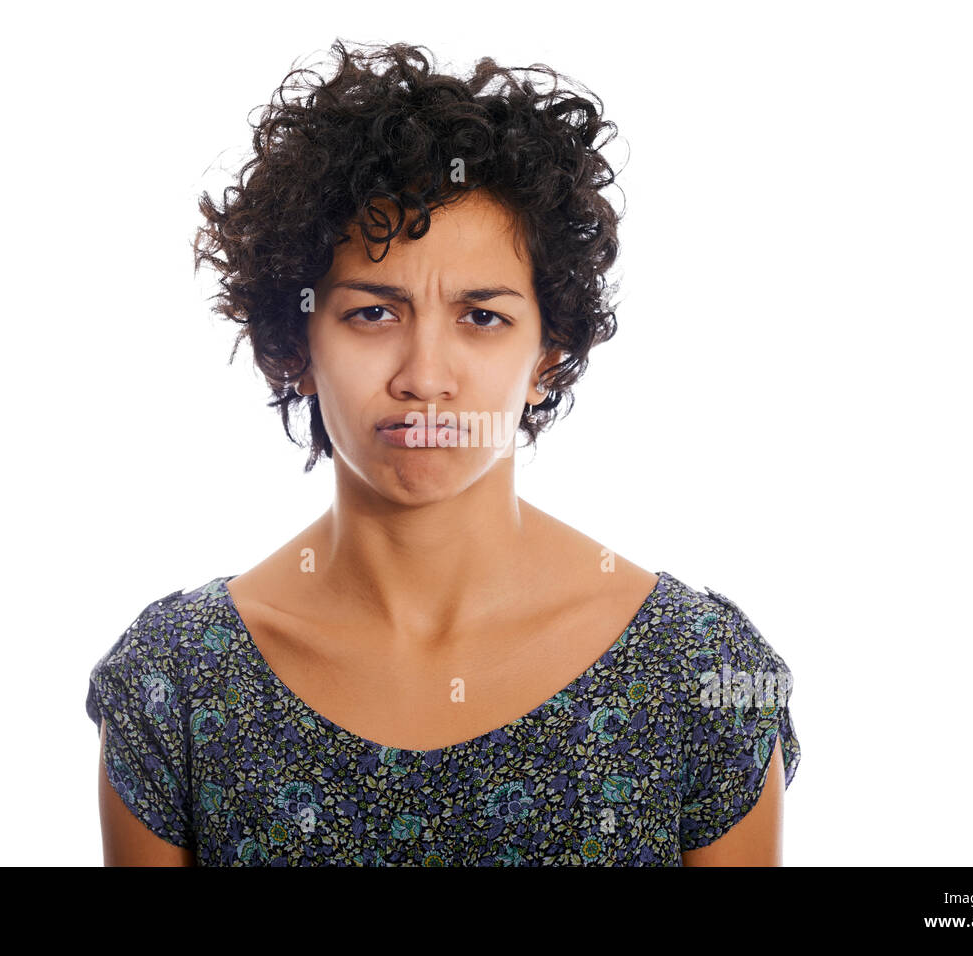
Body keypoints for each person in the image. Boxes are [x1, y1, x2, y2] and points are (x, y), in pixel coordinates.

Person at [85, 39, 801, 866]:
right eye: (372, 314)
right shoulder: (171, 687)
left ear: (548, 355)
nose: (426, 378)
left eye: (482, 317)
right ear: (293, 344)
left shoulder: (697, 676)